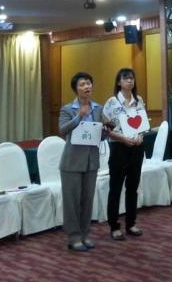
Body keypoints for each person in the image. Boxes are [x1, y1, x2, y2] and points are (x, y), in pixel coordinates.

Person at [59, 72, 104, 252]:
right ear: (76, 89)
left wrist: (107, 130)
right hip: (71, 162)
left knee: (87, 200)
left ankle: (85, 234)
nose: (87, 87)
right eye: (82, 84)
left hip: (91, 161)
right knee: (72, 201)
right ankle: (74, 237)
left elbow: (98, 134)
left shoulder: (98, 109)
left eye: (89, 83)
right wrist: (78, 116)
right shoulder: (67, 109)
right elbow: (62, 130)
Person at [102, 67, 148, 240]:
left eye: (132, 78)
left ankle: (131, 223)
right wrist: (122, 138)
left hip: (136, 148)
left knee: (133, 187)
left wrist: (140, 136)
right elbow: (106, 130)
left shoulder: (138, 100)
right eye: (126, 78)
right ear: (119, 82)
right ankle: (114, 226)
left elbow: (143, 125)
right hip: (119, 148)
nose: (130, 81)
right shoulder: (112, 102)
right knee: (116, 187)